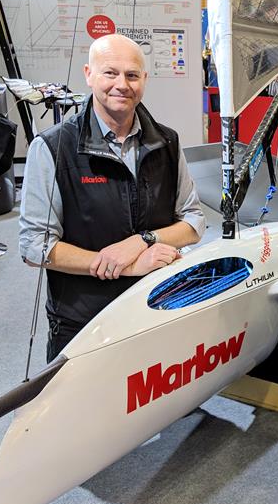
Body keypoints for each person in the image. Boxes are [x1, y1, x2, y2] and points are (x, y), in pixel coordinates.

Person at [19, 34, 206, 363]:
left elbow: (193, 221)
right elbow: (36, 246)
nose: (122, 84)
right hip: (85, 319)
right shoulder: (53, 148)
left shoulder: (166, 141)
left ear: (144, 80)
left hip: (155, 305)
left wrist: (142, 240)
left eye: (132, 75)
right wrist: (127, 267)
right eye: (110, 73)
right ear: (89, 74)